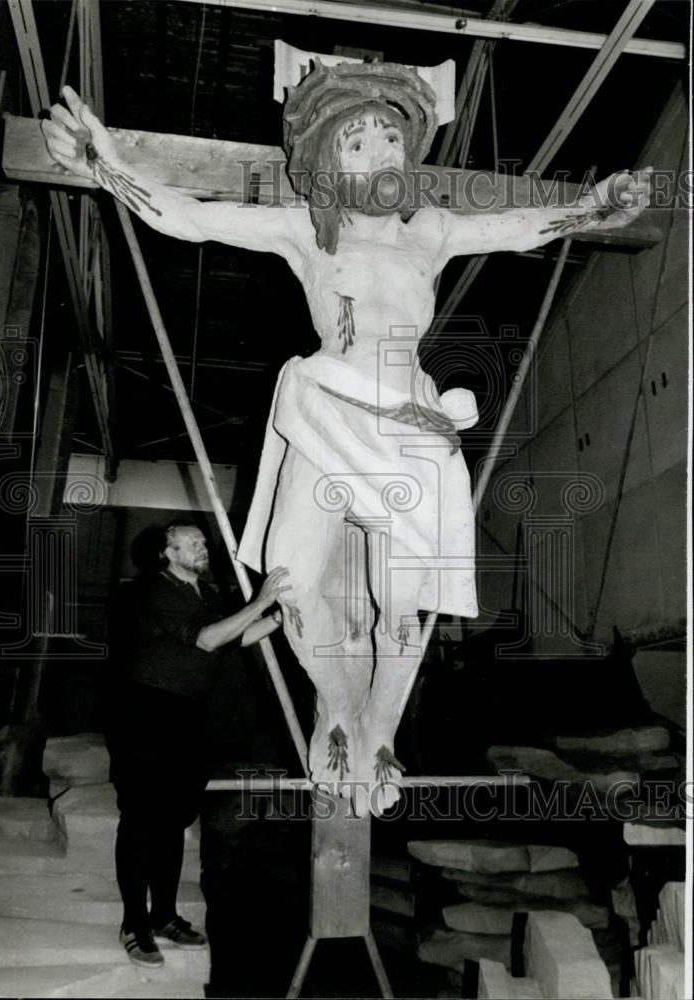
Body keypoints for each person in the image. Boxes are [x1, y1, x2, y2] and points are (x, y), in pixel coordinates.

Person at [43, 61, 651, 815]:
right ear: (330, 155)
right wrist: (104, 162)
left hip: (412, 423)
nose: (381, 150)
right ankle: (336, 705)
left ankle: (382, 731)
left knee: (405, 603)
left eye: (391, 136)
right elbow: (189, 217)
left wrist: (596, 208)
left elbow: (523, 224)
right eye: (360, 139)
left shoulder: (429, 230)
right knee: (293, 583)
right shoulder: (306, 227)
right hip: (327, 405)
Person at [110, 519, 289, 967]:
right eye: (191, 543)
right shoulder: (154, 590)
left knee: (174, 818)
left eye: (203, 542)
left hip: (189, 713)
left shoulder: (206, 595)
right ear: (167, 554)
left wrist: (278, 617)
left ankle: (165, 916)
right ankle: (134, 923)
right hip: (147, 711)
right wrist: (262, 598)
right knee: (142, 818)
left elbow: (233, 639)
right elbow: (207, 639)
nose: (203, 548)